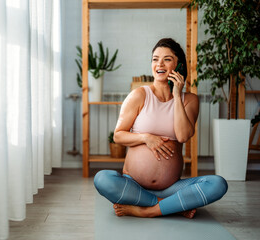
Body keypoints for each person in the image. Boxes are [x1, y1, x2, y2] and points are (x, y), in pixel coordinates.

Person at [94, 38, 228, 218]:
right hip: (133, 184)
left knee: (218, 184)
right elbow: (118, 136)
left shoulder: (189, 100)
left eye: (167, 59)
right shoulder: (139, 95)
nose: (159, 64)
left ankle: (146, 210)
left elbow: (182, 136)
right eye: (155, 59)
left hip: (171, 188)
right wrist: (145, 137)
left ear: (179, 66)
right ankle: (172, 206)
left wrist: (177, 95)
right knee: (102, 179)